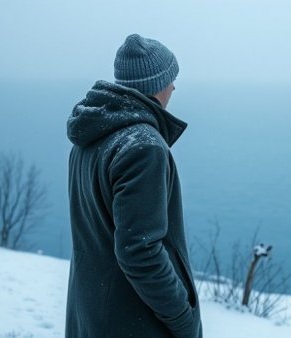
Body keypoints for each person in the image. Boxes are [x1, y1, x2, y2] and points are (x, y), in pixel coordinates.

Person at [65, 34, 202, 338]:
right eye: (171, 78)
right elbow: (139, 252)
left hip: (91, 315)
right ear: (157, 84)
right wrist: (183, 319)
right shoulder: (143, 147)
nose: (174, 86)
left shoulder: (90, 138)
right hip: (133, 324)